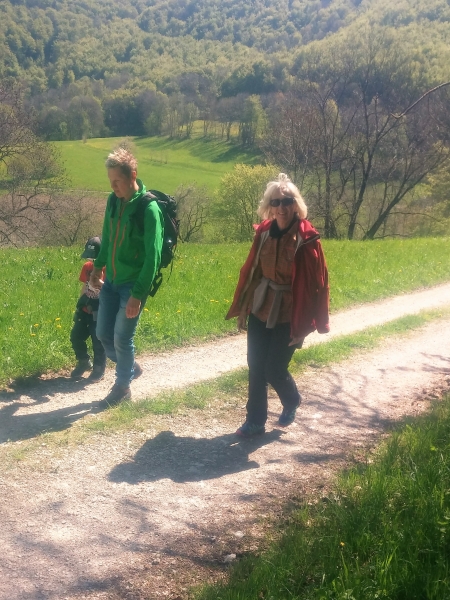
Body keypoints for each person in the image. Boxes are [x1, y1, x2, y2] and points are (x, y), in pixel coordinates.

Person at [226, 173, 330, 436]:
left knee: (274, 369)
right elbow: (252, 272)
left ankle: (292, 400)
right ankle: (255, 422)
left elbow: (317, 285)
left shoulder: (307, 239)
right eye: (276, 202)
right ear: (269, 206)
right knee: (255, 365)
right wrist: (244, 308)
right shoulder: (263, 233)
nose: (281, 207)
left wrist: (306, 326)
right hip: (261, 306)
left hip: (290, 313)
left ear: (296, 205)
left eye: (287, 201)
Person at [89, 148, 164, 404]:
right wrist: (97, 268)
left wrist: (138, 295)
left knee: (122, 337)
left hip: (132, 285)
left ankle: (122, 388)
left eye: (117, 181)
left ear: (133, 175)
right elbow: (107, 237)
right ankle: (129, 367)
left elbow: (153, 258)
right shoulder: (113, 201)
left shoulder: (148, 209)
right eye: (110, 181)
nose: (113, 187)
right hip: (111, 281)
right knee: (103, 334)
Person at [70, 236, 106, 382]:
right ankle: (84, 361)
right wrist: (80, 304)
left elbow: (111, 290)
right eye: (91, 258)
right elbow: (84, 286)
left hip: (100, 310)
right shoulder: (86, 267)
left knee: (98, 341)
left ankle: (99, 368)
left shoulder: (109, 269)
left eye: (95, 258)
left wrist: (100, 282)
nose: (92, 261)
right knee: (76, 336)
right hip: (85, 308)